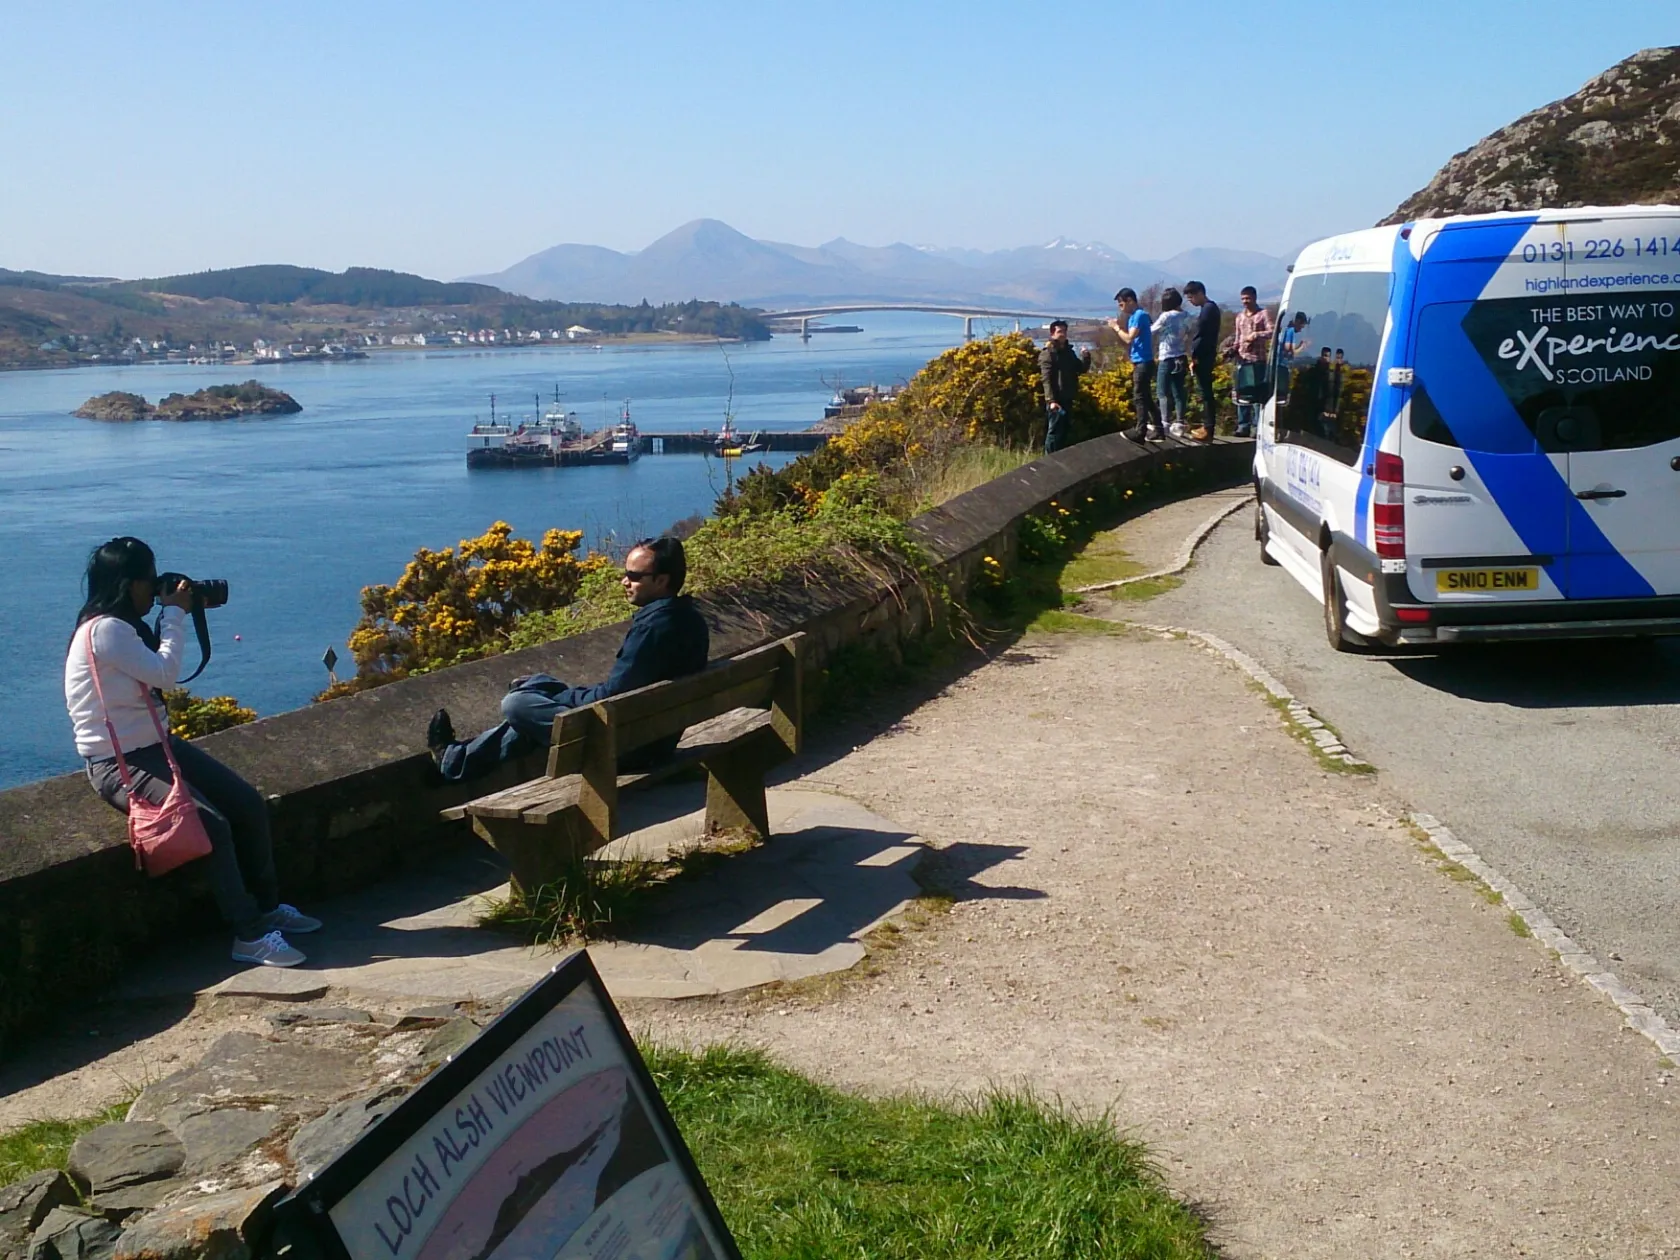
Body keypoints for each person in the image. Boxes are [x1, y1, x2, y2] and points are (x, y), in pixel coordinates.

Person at [64, 537, 319, 969]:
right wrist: (176, 613)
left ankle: (267, 908)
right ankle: (249, 935)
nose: (154, 589)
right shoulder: (105, 629)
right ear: (129, 584)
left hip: (157, 746)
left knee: (246, 804)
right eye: (149, 580)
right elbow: (166, 674)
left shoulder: (124, 625)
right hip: (118, 760)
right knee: (210, 826)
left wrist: (173, 612)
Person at [428, 536, 709, 783]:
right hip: (658, 737)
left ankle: (455, 761)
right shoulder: (691, 619)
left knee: (517, 705)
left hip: (628, 747)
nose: (625, 581)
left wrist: (565, 699)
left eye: (634, 576)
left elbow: (613, 694)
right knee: (537, 697)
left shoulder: (652, 628)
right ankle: (456, 760)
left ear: (661, 581)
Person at [1111, 288, 1164, 442]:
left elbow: (1129, 338)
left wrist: (1115, 327)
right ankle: (1158, 428)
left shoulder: (1139, 315)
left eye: (1122, 304)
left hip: (1143, 362)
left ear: (1130, 301)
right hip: (1140, 360)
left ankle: (1140, 431)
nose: (1121, 308)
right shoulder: (1135, 316)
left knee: (1139, 397)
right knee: (1146, 396)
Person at [1037, 320, 1090, 454]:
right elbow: (1046, 379)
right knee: (1054, 432)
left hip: (1068, 397)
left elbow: (1081, 369)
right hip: (1056, 400)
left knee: (1064, 431)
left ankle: (1059, 461)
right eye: (1060, 331)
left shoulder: (1068, 352)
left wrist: (1086, 356)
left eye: (1064, 331)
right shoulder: (1048, 353)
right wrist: (1051, 401)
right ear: (1052, 333)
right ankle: (1049, 462)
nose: (1063, 335)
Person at [1231, 285, 1275, 437]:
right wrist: (1232, 350)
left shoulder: (1263, 314)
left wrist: (1256, 335)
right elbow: (1237, 338)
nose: (1245, 301)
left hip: (1258, 360)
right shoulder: (1239, 317)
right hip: (1242, 361)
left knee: (1257, 396)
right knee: (1242, 394)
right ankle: (1243, 426)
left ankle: (1257, 427)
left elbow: (1272, 332)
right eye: (1243, 298)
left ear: (1255, 298)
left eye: (1248, 298)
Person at [1151, 288, 1194, 439]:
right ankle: (1180, 422)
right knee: (1178, 392)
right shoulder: (1187, 316)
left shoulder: (1166, 316)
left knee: (1162, 392)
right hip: (1181, 356)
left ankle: (1164, 422)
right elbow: (1190, 332)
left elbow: (1152, 330)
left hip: (1166, 357)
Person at [1184, 280, 1221, 440]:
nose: (1191, 301)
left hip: (1204, 357)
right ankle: (1207, 426)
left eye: (1192, 297)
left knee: (1206, 393)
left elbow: (1201, 336)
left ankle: (1208, 428)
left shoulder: (1208, 309)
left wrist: (1195, 356)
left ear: (1200, 293)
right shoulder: (1209, 309)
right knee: (1205, 392)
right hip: (1206, 355)